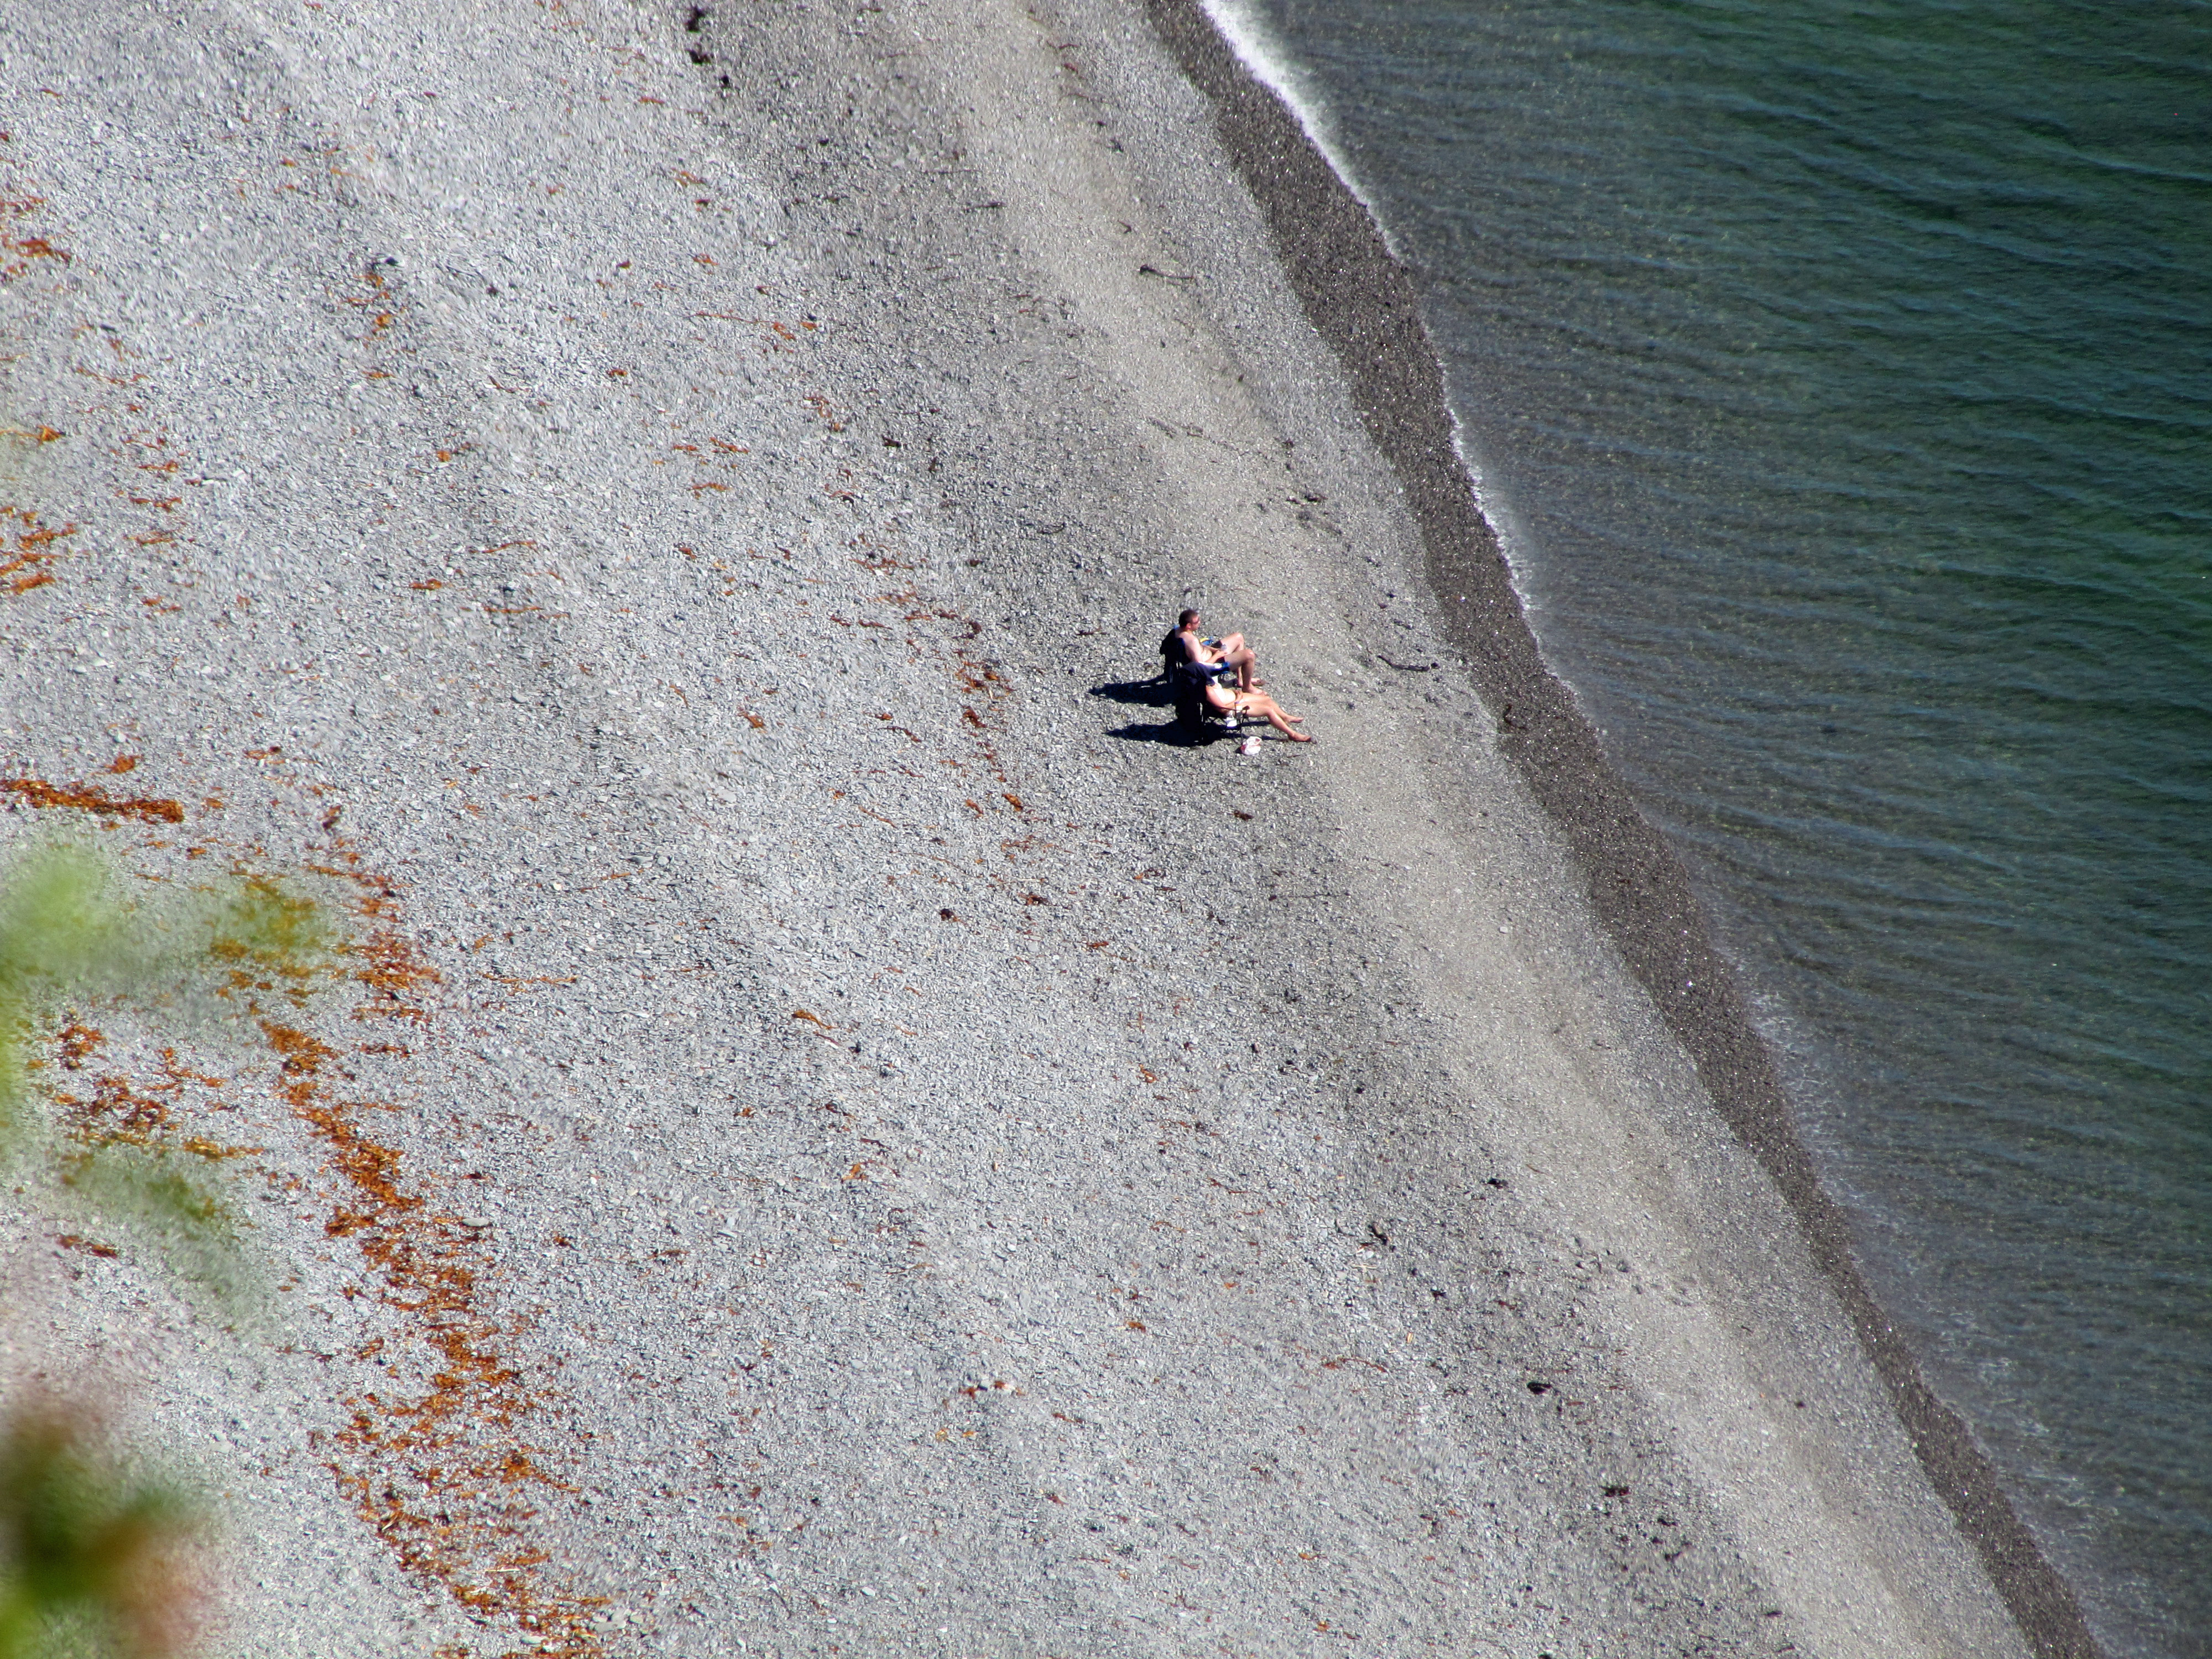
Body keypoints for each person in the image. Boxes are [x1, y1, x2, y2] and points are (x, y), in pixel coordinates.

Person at [1170, 609, 1258, 691]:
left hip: (1210, 654)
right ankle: (1248, 687)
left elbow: (1199, 646)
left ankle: (1241, 679)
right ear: (1189, 626)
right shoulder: (1192, 641)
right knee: (1249, 655)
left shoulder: (1177, 631)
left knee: (1239, 637)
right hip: (1212, 664)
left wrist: (1213, 649)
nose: (1199, 623)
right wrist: (1217, 656)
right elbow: (1200, 667)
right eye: (1197, 622)